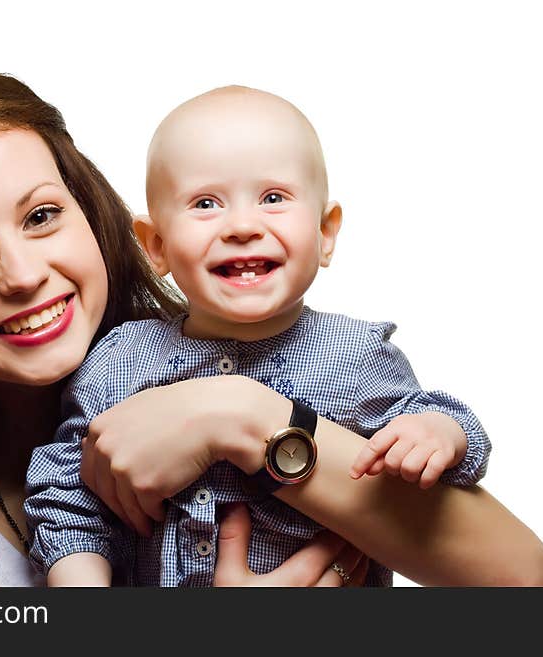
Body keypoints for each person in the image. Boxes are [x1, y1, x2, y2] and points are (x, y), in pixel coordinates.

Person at [0, 72, 543, 587]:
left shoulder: (336, 354)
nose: (22, 273)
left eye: (41, 216)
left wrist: (235, 415)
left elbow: (518, 574)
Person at [25, 86, 493, 586]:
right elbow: (68, 494)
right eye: (205, 203)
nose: (243, 226)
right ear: (156, 246)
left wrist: (440, 435)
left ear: (325, 233)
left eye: (273, 198)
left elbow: (442, 452)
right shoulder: (120, 361)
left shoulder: (357, 358)